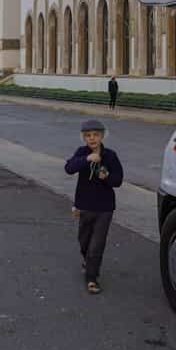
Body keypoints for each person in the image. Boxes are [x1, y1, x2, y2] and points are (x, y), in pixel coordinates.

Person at [64, 119, 123, 294]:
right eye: (88, 135)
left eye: (96, 135)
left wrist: (106, 177)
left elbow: (118, 180)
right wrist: (86, 159)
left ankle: (92, 278)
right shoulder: (81, 152)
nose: (92, 138)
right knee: (84, 241)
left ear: (102, 136)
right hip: (84, 206)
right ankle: (87, 260)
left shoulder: (110, 156)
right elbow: (69, 168)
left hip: (104, 208)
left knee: (97, 244)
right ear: (83, 138)